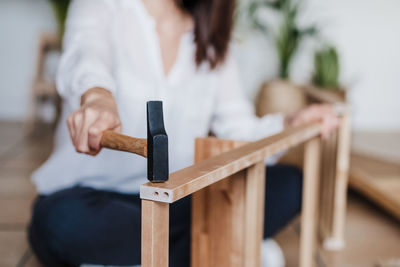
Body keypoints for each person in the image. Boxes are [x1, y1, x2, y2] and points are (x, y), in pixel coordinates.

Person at [28, 0, 339, 266]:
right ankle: (222, 249)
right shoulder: (103, 5)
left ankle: (144, 257)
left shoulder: (210, 33)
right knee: (59, 222)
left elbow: (239, 130)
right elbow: (85, 53)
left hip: (178, 198)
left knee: (290, 184)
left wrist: (289, 124)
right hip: (95, 199)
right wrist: (97, 95)